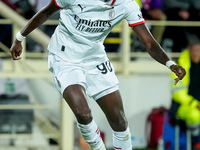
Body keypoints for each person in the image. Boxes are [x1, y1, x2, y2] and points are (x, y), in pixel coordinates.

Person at [10, 0, 186, 149]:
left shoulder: (126, 4)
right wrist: (19, 38)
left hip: (95, 58)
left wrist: (170, 63)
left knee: (119, 120)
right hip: (64, 57)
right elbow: (46, 12)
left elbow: (149, 43)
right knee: (83, 113)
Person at [169, 38, 200, 148]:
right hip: (183, 106)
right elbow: (178, 94)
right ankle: (196, 143)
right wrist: (195, 104)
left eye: (198, 50)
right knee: (194, 115)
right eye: (194, 50)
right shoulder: (180, 68)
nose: (196, 53)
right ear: (189, 51)